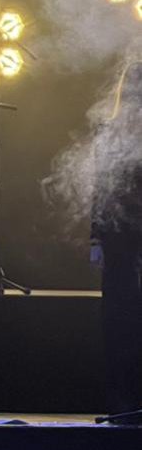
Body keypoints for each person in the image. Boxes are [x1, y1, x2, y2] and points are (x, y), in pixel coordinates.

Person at [90, 61, 142, 423]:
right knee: (120, 318)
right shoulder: (110, 130)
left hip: (125, 232)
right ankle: (122, 403)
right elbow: (101, 187)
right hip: (121, 234)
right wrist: (96, 237)